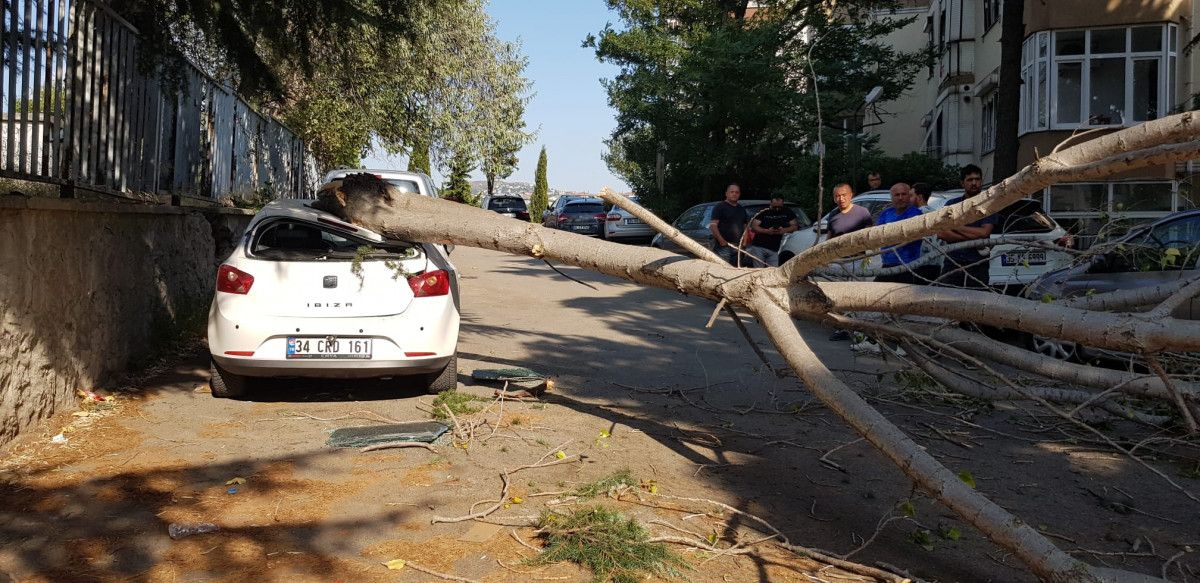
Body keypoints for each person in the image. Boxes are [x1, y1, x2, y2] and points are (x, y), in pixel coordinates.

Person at [826, 183, 874, 341]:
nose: (841, 198)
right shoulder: (833, 215)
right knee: (837, 297)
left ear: (851, 195)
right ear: (834, 198)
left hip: (858, 260)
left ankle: (859, 328)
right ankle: (842, 327)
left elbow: (870, 235)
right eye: (837, 196)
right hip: (838, 261)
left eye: (844, 195)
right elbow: (829, 239)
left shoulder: (862, 213)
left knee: (857, 296)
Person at [936, 164, 997, 290]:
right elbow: (942, 234)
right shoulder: (951, 205)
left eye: (977, 179)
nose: (974, 183)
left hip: (977, 265)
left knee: (978, 304)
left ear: (981, 181)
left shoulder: (988, 205)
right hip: (952, 263)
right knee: (947, 303)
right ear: (962, 183)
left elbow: (984, 233)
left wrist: (955, 226)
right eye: (970, 180)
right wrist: (975, 240)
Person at [873, 183, 923, 285]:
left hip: (908, 266)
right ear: (891, 198)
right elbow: (877, 236)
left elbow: (909, 236)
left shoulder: (916, 214)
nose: (900, 198)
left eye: (903, 194)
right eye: (897, 195)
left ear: (909, 196)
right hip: (887, 265)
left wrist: (888, 235)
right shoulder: (885, 214)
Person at [748, 195, 799, 267]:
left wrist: (783, 230)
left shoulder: (787, 212)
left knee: (773, 270)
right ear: (771, 203)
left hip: (774, 249)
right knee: (758, 271)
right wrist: (767, 231)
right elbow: (753, 227)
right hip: (759, 246)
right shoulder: (764, 211)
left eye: (779, 207)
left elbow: (795, 226)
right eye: (775, 207)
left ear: (782, 204)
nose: (777, 209)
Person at [709, 183, 749, 265]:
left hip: (738, 247)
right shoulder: (719, 207)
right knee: (723, 270)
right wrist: (721, 241)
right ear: (726, 193)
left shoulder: (741, 209)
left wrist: (744, 243)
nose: (734, 194)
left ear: (739, 194)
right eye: (732, 192)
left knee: (736, 270)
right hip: (723, 247)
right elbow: (713, 226)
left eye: (737, 192)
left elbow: (745, 227)